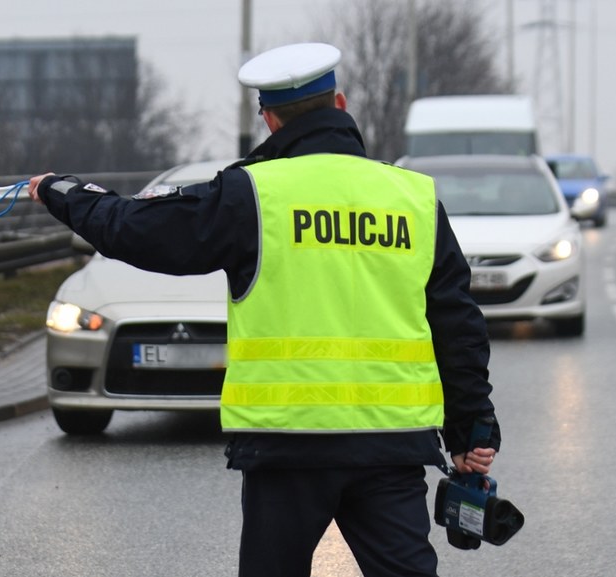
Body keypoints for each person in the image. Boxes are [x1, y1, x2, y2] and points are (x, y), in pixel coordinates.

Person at [29, 42, 500, 577]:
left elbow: (138, 231)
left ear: (270, 119)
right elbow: (457, 323)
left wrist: (63, 192)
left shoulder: (251, 195)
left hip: (287, 449)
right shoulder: (413, 199)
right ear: (340, 105)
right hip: (391, 448)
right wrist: (471, 432)